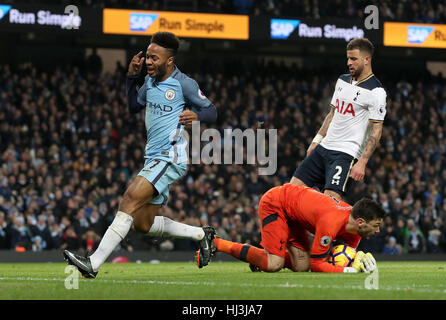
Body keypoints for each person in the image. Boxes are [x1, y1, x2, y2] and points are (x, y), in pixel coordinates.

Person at [63, 32, 218, 278]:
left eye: (154, 58)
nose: (148, 61)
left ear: (169, 61)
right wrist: (131, 78)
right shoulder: (149, 81)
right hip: (153, 157)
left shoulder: (183, 83)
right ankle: (201, 234)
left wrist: (197, 116)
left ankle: (93, 264)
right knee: (143, 224)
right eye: (147, 56)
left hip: (170, 156)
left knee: (129, 198)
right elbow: (134, 106)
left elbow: (212, 110)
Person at [205, 183, 384, 273]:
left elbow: (343, 254)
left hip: (295, 215)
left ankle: (262, 255)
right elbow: (317, 264)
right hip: (276, 203)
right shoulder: (332, 222)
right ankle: (217, 243)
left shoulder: (354, 229)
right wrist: (347, 270)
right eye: (376, 226)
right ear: (360, 221)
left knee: (301, 266)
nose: (377, 231)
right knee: (273, 265)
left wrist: (357, 259)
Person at [291, 38, 387, 201]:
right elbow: (332, 114)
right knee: (291, 191)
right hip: (324, 147)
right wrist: (317, 140)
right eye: (348, 58)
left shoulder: (376, 91)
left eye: (354, 59)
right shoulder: (342, 80)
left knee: (329, 202)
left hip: (346, 154)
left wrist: (362, 161)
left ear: (367, 59)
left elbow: (377, 130)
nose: (349, 62)